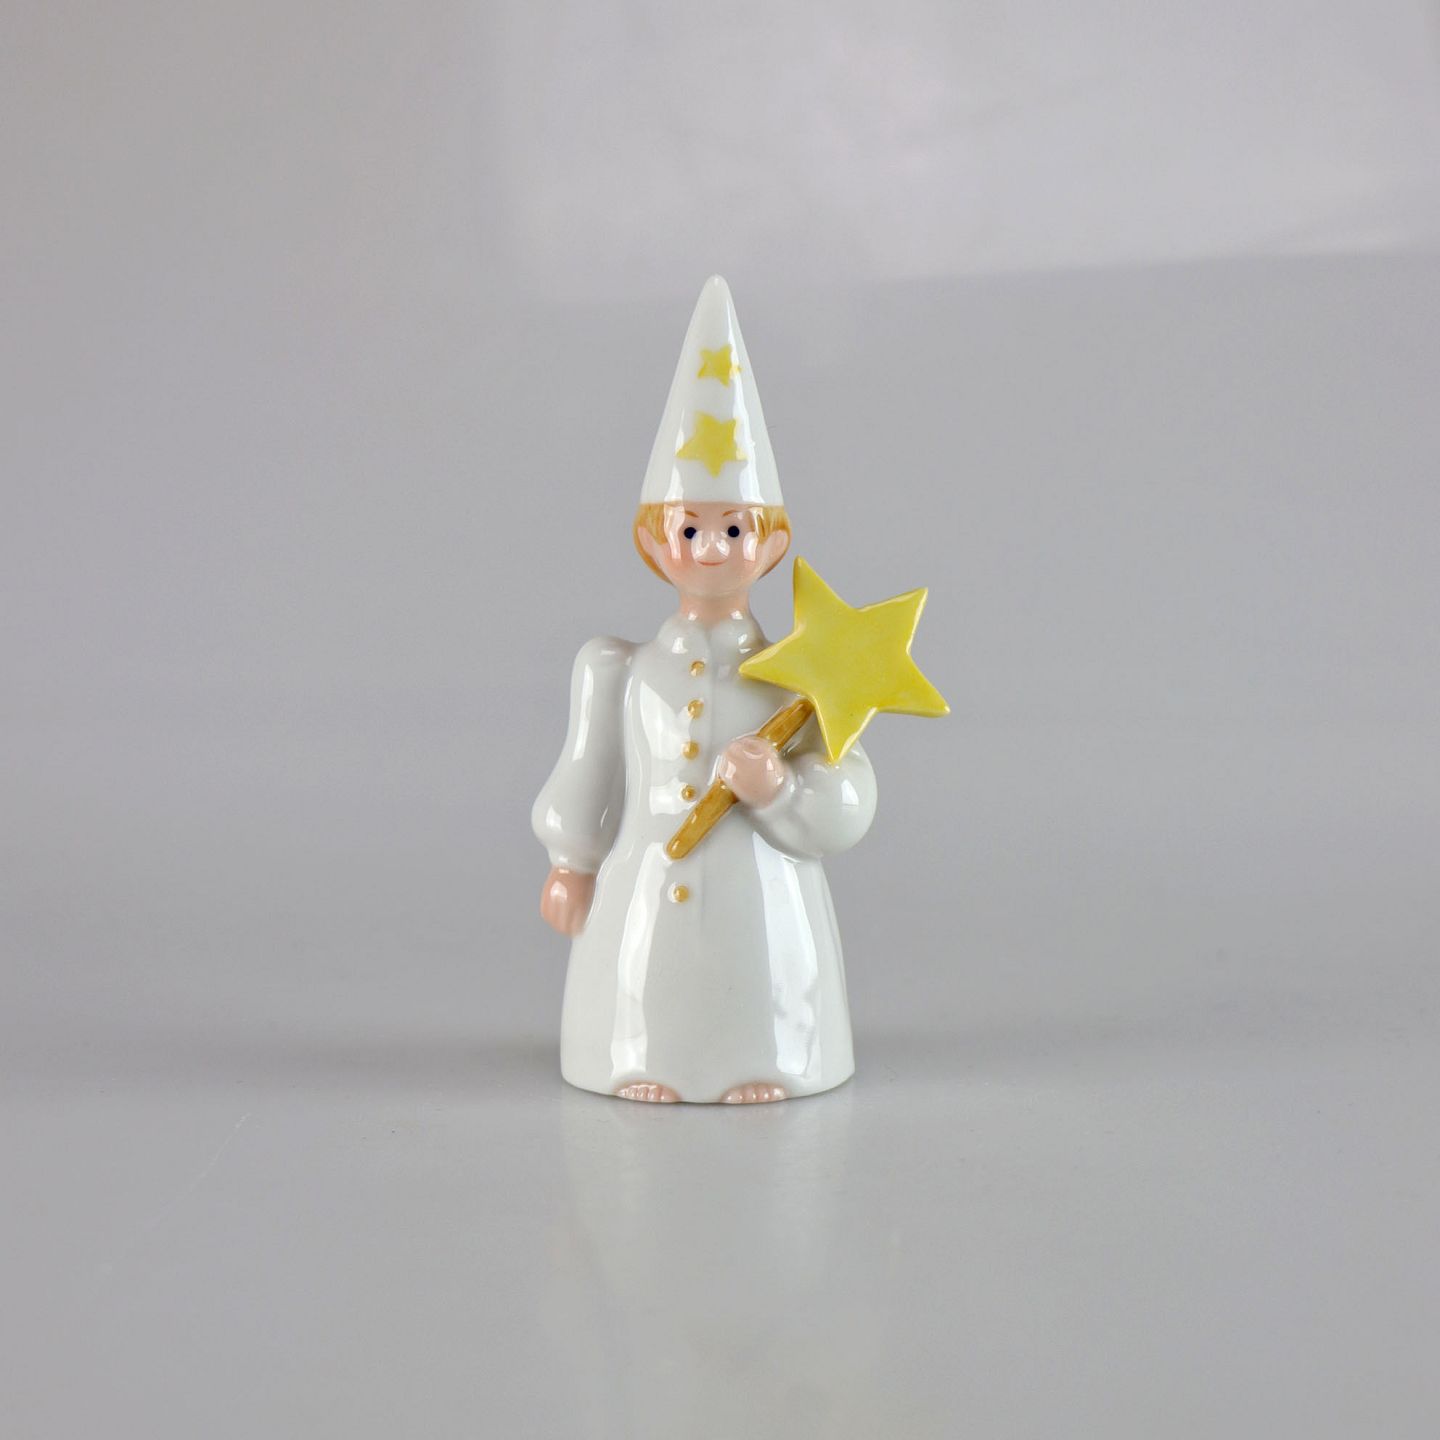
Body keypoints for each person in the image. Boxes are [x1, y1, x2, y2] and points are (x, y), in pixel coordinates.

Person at [532, 277, 876, 1103]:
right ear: (654, 544)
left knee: (756, 970)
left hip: (762, 903)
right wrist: (571, 865)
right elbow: (589, 774)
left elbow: (851, 797)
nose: (713, 548)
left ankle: (771, 1055)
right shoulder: (619, 669)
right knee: (645, 978)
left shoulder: (800, 679)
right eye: (691, 529)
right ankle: (637, 1054)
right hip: (644, 891)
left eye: (733, 529)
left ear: (772, 545)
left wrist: (781, 789)